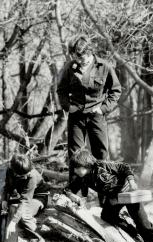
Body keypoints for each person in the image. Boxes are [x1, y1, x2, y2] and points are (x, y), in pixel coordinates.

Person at [65, 149, 153, 242]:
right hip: (113, 198)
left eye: (77, 167)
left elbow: (124, 167)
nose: (75, 171)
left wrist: (131, 182)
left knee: (143, 225)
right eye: (74, 168)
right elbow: (68, 189)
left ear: (86, 164)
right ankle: (133, 233)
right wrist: (72, 196)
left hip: (128, 193)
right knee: (107, 216)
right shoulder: (83, 178)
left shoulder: (103, 165)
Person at [57, 35, 121, 172]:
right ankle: (76, 192)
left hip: (96, 115)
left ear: (89, 51)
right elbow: (61, 91)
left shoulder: (104, 67)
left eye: (81, 57)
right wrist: (69, 107)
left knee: (101, 154)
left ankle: (104, 190)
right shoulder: (69, 68)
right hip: (76, 116)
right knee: (75, 156)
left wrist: (103, 109)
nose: (79, 61)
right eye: (76, 57)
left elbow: (116, 91)